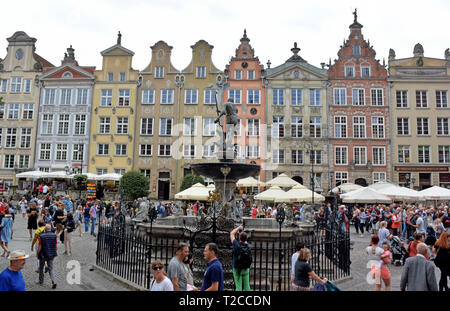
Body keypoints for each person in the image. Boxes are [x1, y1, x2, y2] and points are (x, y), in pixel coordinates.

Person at [230, 225, 251, 291]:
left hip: (237, 269)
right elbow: (245, 240)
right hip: (246, 268)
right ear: (246, 238)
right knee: (247, 287)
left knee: (238, 288)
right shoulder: (248, 246)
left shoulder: (236, 245)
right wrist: (242, 233)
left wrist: (239, 228)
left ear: (239, 238)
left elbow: (232, 233)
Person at [37, 224, 57, 289]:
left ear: (45, 229)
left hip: (43, 254)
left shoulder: (42, 236)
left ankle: (41, 280)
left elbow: (40, 246)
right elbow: (55, 245)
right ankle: (53, 281)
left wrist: (37, 253)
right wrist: (55, 251)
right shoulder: (54, 236)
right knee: (51, 268)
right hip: (51, 254)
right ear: (50, 229)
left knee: (41, 268)